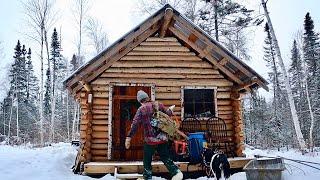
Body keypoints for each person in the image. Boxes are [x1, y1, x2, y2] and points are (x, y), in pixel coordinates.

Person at [125, 90, 183, 180]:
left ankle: (147, 176)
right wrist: (171, 110)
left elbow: (135, 124)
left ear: (140, 100)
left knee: (147, 159)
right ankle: (176, 172)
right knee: (165, 156)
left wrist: (129, 137)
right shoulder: (158, 104)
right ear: (147, 97)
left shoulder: (141, 109)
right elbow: (167, 114)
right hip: (162, 138)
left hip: (150, 140)